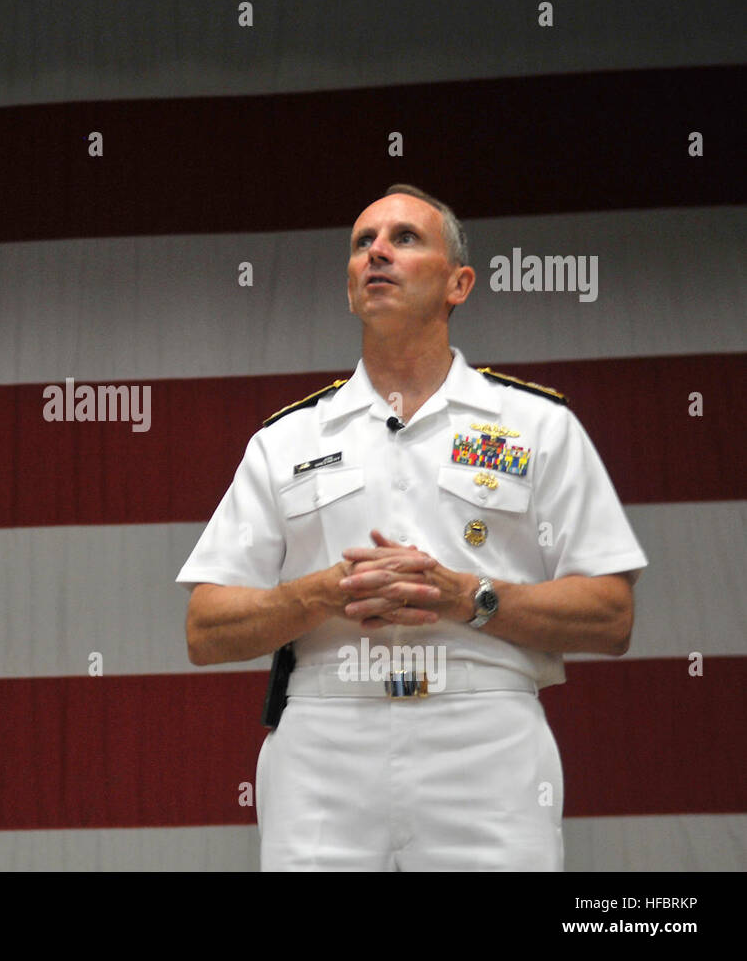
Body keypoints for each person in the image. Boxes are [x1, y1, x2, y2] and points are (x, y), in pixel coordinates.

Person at [175, 184, 647, 871]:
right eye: (363, 242)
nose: (377, 254)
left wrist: (470, 599)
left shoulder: (536, 426)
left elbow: (612, 616)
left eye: (403, 239)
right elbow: (204, 630)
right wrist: (321, 595)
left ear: (459, 284)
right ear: (348, 289)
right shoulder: (285, 441)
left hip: (486, 738)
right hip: (324, 742)